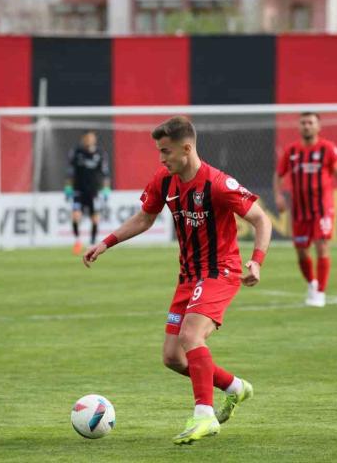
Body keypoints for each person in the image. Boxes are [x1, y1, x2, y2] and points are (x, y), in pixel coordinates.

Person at [83, 116, 272, 445]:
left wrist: (256, 261)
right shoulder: (165, 180)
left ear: (186, 149)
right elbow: (145, 218)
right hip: (188, 276)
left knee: (191, 335)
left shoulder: (218, 184)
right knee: (173, 357)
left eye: (166, 151)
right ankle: (235, 387)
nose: (161, 158)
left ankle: (204, 415)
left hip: (219, 271)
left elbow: (261, 219)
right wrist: (106, 243)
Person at [273, 112, 337, 307]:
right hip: (299, 210)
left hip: (322, 208)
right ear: (299, 126)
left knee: (322, 246)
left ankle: (320, 293)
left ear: (318, 126)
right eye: (303, 123)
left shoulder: (328, 148)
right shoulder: (291, 151)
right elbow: (278, 175)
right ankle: (312, 283)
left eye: (310, 122)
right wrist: (278, 196)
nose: (306, 126)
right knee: (301, 252)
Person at [65, 130, 111, 255]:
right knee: (76, 216)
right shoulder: (76, 152)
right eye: (87, 138)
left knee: (95, 219)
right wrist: (68, 188)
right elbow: (70, 172)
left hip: (94, 191)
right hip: (78, 190)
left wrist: (106, 189)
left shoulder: (100, 154)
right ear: (83, 139)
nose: (89, 140)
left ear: (94, 139)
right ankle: (77, 241)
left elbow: (105, 174)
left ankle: (91, 243)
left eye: (91, 138)